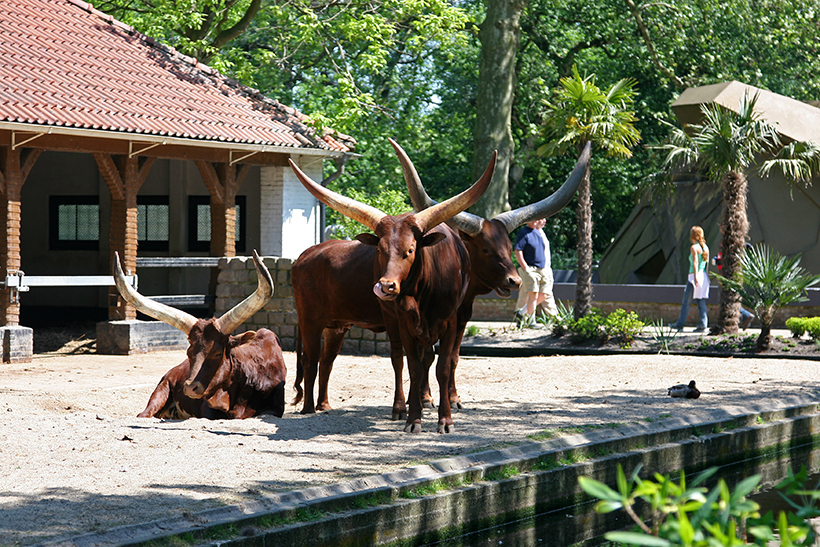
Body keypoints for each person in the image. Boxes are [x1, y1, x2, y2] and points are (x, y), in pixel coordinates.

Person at [513, 218, 558, 326]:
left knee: (544, 294)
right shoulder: (524, 232)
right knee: (533, 295)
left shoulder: (538, 233)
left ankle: (522, 312)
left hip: (542, 269)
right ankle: (531, 321)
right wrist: (526, 268)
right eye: (533, 219)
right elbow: (518, 251)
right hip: (530, 269)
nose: (536, 221)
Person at [670, 226, 710, 332]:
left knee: (686, 301)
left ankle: (680, 324)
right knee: (701, 300)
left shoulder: (694, 247)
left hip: (694, 277)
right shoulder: (705, 247)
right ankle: (703, 324)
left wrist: (695, 277)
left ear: (692, 235)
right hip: (703, 276)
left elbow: (695, 262)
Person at [713, 243, 755, 330]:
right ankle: (746, 316)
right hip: (724, 276)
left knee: (728, 300)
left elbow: (725, 263)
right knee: (728, 300)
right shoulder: (723, 251)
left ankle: (746, 315)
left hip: (726, 277)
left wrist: (721, 275)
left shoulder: (729, 251)